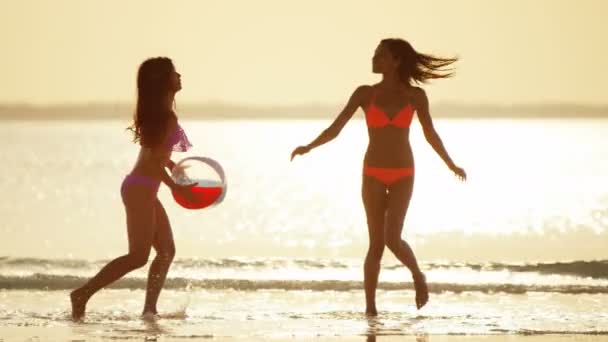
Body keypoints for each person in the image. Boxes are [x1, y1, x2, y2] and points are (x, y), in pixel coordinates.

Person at [291, 38, 466, 315]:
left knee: (392, 240)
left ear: (396, 61)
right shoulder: (365, 94)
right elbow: (336, 128)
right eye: (375, 54)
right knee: (375, 244)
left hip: (403, 174)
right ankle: (370, 309)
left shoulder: (415, 96)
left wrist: (451, 164)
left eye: (380, 55)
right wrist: (309, 147)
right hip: (372, 172)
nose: (374, 59)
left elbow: (430, 134)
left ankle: (418, 276)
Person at [70, 57, 194, 320]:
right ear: (163, 81)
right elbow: (150, 162)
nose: (179, 75)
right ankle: (82, 293)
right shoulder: (164, 115)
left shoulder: (160, 113)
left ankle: (150, 310)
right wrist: (176, 188)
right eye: (174, 72)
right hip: (140, 189)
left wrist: (172, 166)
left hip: (143, 188)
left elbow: (155, 155)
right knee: (138, 256)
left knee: (166, 251)